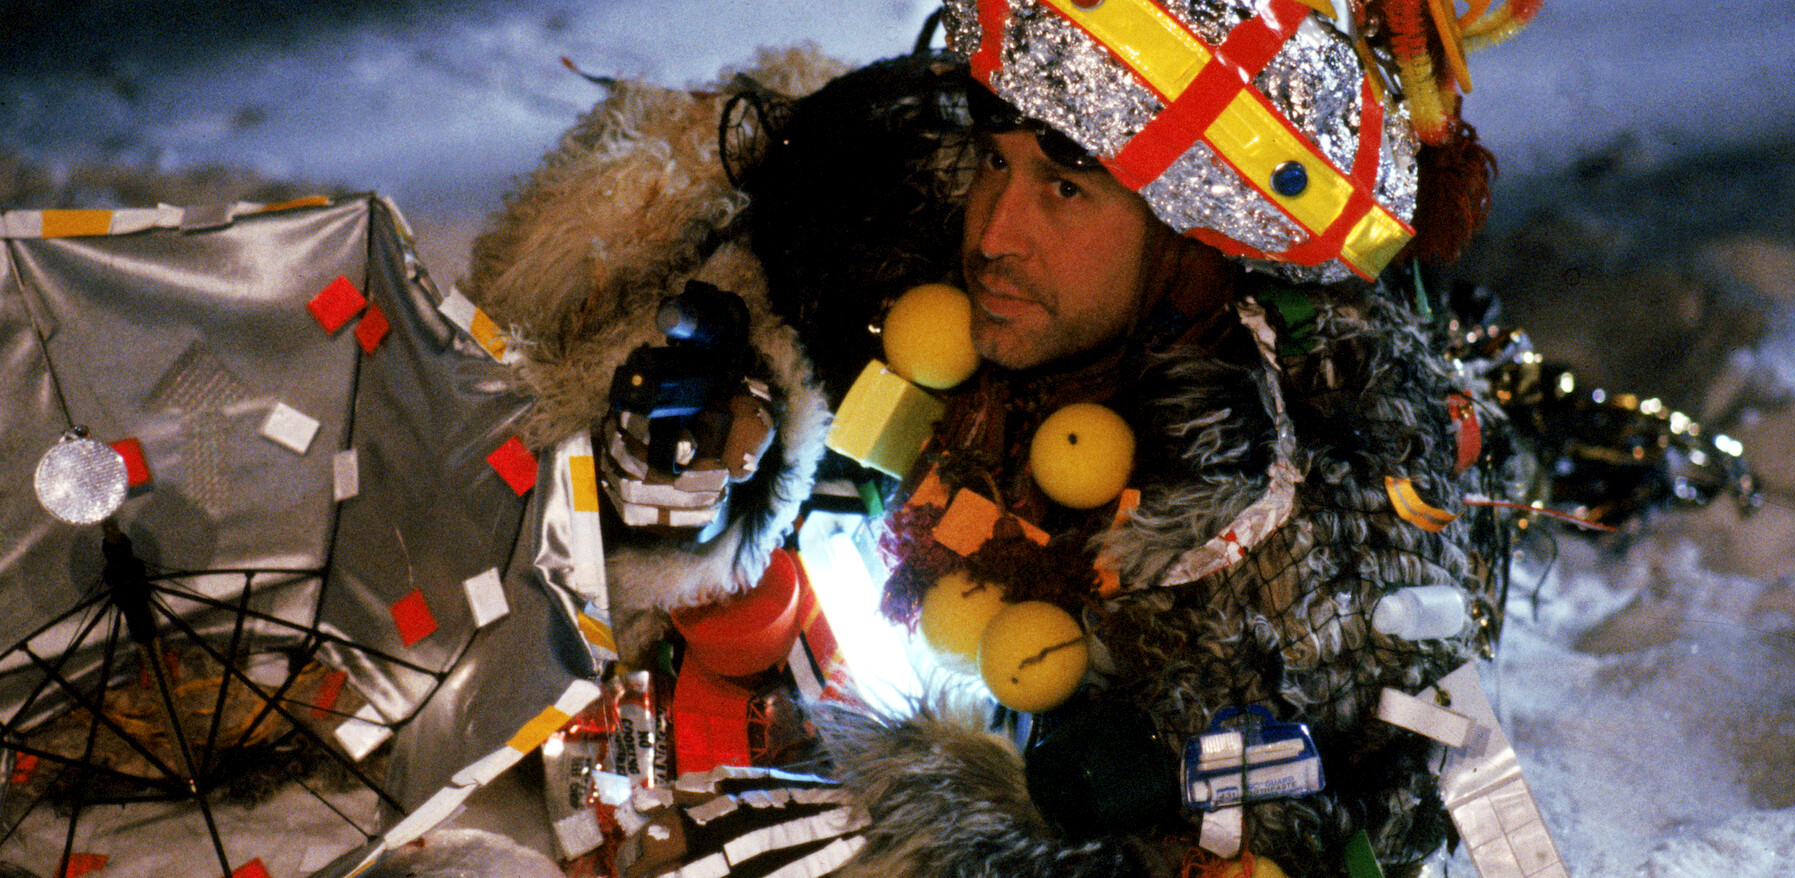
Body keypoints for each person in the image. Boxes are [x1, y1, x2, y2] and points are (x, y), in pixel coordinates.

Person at [459, 2, 1537, 876]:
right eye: (995, 163)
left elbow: (1417, 782)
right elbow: (719, 242)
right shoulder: (917, 251)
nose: (994, 233)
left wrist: (1173, 772)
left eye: (1065, 187)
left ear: (1197, 239)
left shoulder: (1315, 491)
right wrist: (721, 446)